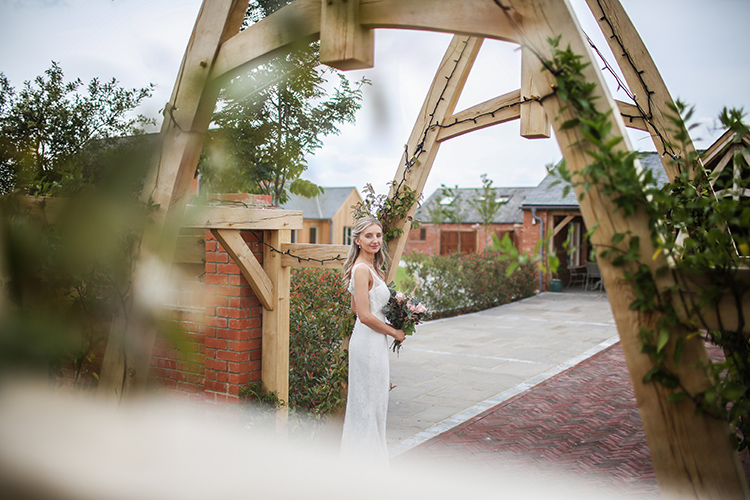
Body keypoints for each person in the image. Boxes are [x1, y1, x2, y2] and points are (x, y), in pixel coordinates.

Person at [340, 216, 406, 465]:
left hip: (374, 342)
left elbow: (355, 307)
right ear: (357, 240)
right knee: (367, 403)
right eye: (369, 236)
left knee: (375, 401)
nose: (375, 240)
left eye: (378, 235)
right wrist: (394, 332)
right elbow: (364, 316)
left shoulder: (372, 268)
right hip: (368, 343)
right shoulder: (360, 269)